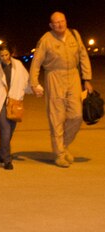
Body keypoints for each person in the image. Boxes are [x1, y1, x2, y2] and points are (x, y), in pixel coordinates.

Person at [29, 11, 93, 168]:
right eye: (56, 22)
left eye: (62, 21)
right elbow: (36, 62)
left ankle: (62, 146)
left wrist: (87, 79)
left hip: (73, 76)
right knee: (56, 117)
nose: (60, 24)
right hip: (54, 77)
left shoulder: (75, 35)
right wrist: (34, 83)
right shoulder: (46, 39)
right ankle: (59, 154)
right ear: (51, 25)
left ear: (66, 21)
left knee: (77, 115)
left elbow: (83, 56)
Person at [0, 42, 31, 170]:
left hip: (14, 103)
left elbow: (26, 80)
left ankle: (1, 150)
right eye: (1, 55)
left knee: (10, 131)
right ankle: (6, 159)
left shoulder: (18, 65)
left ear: (11, 53)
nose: (4, 57)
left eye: (6, 54)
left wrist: (35, 88)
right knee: (6, 129)